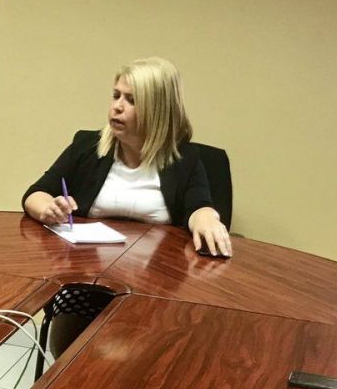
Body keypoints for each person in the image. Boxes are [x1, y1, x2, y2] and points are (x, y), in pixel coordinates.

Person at [22, 56, 232, 257]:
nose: (117, 107)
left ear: (157, 110)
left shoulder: (185, 158)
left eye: (131, 100)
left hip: (159, 271)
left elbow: (198, 207)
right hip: (85, 264)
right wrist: (47, 209)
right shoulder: (87, 146)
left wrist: (206, 217)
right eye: (116, 96)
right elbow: (36, 194)